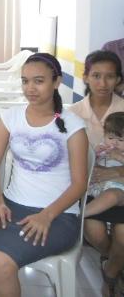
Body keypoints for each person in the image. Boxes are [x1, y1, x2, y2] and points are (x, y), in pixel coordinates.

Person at [0, 53, 88, 297]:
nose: (30, 88)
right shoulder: (11, 117)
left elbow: (79, 184)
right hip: (11, 207)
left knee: (1, 262)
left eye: (39, 81)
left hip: (58, 215)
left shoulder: (73, 125)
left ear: (56, 82)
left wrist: (46, 216)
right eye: (25, 81)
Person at [69, 50, 124, 295]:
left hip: (120, 186)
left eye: (110, 76)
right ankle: (114, 261)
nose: (103, 83)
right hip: (90, 186)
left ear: (118, 80)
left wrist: (118, 171)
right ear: (86, 77)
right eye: (96, 76)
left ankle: (110, 274)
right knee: (94, 231)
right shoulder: (72, 114)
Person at [85, 112, 124, 218]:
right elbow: (88, 164)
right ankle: (78, 213)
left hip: (118, 187)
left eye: (121, 140)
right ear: (104, 134)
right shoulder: (102, 148)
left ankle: (82, 214)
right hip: (96, 186)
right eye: (110, 138)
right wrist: (94, 154)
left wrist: (120, 157)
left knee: (112, 195)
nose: (114, 143)